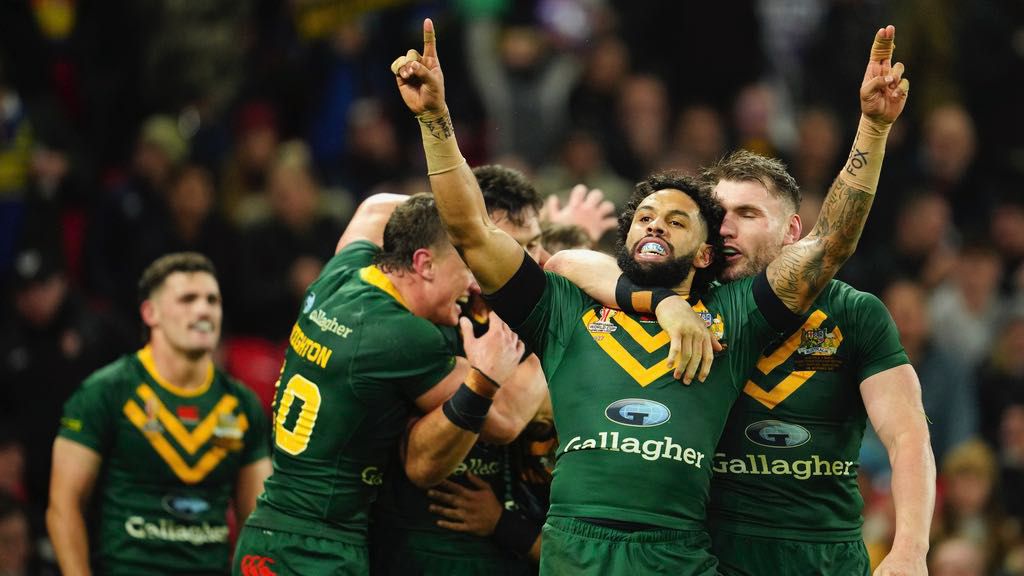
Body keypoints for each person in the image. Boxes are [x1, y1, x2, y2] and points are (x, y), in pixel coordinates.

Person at [392, 18, 908, 575]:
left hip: (677, 556)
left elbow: (829, 245)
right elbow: (470, 230)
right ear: (627, 237)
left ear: (707, 253)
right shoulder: (563, 308)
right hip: (572, 551)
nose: (656, 225)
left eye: (678, 219)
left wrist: (873, 129)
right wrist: (434, 119)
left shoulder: (733, 319)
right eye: (644, 217)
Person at [232, 193, 534, 575]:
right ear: (424, 263)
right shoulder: (402, 335)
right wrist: (557, 320)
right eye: (468, 266)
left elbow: (375, 206)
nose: (476, 284)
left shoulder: (343, 276)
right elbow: (506, 418)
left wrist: (468, 212)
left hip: (271, 531)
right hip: (318, 549)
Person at [372, 165, 552, 574]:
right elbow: (421, 463)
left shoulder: (541, 311)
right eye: (516, 247)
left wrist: (504, 526)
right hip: (427, 551)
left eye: (538, 243)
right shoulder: (437, 321)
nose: (535, 261)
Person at [47, 252, 273, 575]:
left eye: (213, 300)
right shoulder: (106, 392)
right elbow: (63, 506)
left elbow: (257, 521)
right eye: (187, 299)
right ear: (150, 312)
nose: (203, 309)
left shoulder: (243, 405)